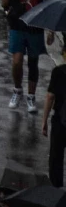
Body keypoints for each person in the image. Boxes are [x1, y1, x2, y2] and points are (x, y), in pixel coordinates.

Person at [3, 0, 53, 115]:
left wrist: (50, 30)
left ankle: (31, 95)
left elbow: (49, 6)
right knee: (17, 61)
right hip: (18, 26)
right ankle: (17, 89)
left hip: (35, 28)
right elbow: (4, 3)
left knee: (33, 61)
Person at [44, 47, 66, 186]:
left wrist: (44, 121)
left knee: (56, 158)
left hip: (60, 119)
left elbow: (50, 97)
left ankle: (56, 190)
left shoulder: (58, 72)